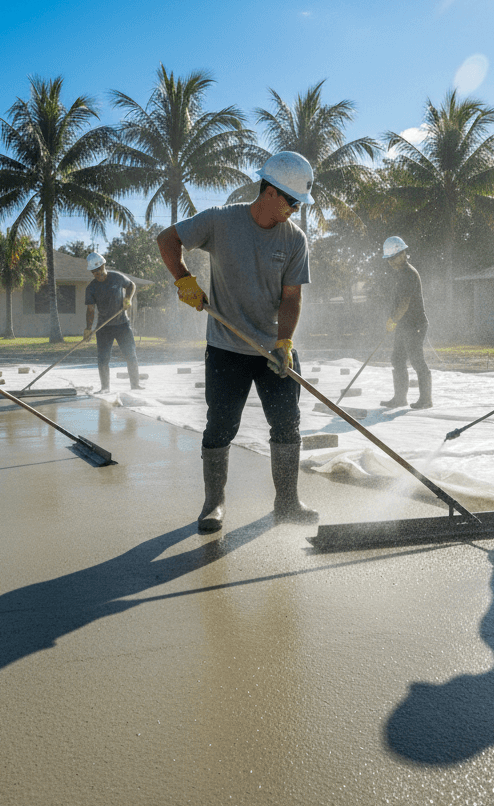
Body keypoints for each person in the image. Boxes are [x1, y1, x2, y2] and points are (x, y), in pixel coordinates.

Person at [156, 151, 318, 533]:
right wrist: (184, 279)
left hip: (274, 350)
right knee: (221, 426)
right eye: (293, 201)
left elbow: (291, 297)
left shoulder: (295, 240)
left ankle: (288, 502)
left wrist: (284, 342)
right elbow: (167, 239)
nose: (296, 209)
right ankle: (214, 503)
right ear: (270, 191)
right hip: (226, 347)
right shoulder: (221, 220)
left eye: (299, 202)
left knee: (287, 425)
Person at [380, 236, 432, 410]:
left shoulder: (409, 274)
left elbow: (404, 303)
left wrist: (393, 320)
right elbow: (398, 302)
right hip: (404, 325)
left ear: (402, 254)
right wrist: (393, 319)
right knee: (397, 359)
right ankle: (400, 398)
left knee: (416, 360)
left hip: (415, 324)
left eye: (393, 258)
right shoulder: (401, 274)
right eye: (388, 259)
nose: (390, 262)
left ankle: (426, 400)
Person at [82, 252, 141, 393]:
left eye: (99, 269)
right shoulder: (91, 288)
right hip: (104, 328)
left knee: (131, 354)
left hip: (122, 325)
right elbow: (90, 309)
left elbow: (131, 285)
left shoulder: (116, 277)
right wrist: (88, 328)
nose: (97, 273)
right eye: (94, 271)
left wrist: (128, 298)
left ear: (104, 265)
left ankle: (135, 385)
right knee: (103, 359)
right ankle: (105, 388)